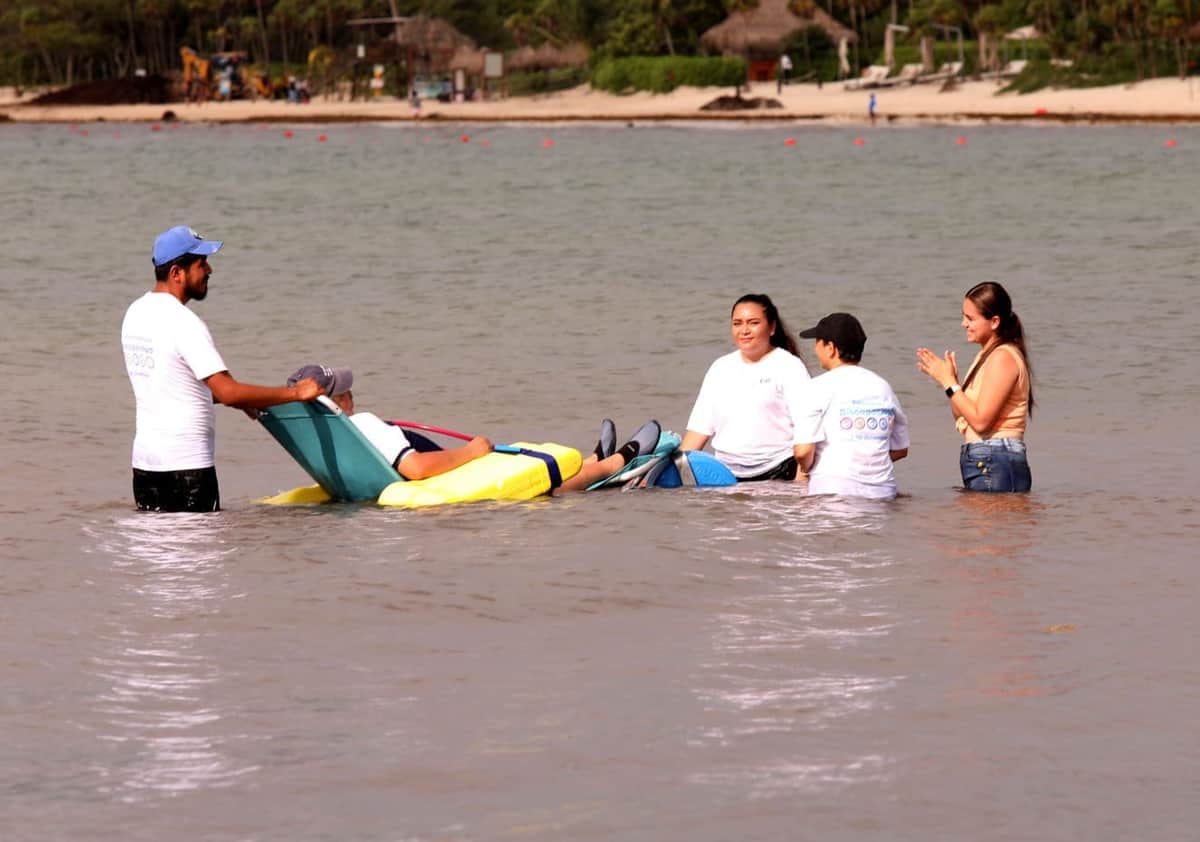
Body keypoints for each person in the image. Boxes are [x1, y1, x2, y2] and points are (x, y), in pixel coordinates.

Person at [121, 226, 323, 513]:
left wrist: (245, 401)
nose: (209, 270)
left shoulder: (136, 313)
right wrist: (296, 393)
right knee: (198, 558)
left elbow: (172, 384)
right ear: (177, 272)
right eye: (201, 264)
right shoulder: (184, 322)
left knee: (158, 555)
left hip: (146, 468)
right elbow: (228, 392)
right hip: (187, 469)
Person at [287, 365, 661, 492]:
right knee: (549, 483)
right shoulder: (363, 424)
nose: (352, 393)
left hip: (388, 482)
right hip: (434, 478)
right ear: (341, 400)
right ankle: (617, 462)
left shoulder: (319, 438)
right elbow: (415, 469)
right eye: (345, 389)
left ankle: (593, 457)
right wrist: (472, 451)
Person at [916, 281, 1034, 493]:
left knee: (993, 526)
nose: (964, 324)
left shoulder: (1003, 357)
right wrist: (952, 384)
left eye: (970, 318)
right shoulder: (985, 356)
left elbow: (981, 423)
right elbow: (964, 417)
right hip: (986, 458)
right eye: (963, 316)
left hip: (996, 458)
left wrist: (949, 383)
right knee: (981, 526)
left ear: (994, 321)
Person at [680, 294, 812, 481]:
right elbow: (699, 431)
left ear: (772, 327)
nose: (744, 330)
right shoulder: (720, 368)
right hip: (725, 476)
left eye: (753, 322)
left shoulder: (789, 366)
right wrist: (674, 471)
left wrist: (800, 485)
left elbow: (807, 431)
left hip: (779, 472)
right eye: (737, 323)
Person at [792, 313, 909, 499]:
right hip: (882, 493)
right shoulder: (883, 387)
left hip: (832, 492)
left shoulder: (816, 388)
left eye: (817, 342)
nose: (815, 349)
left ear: (830, 348)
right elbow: (901, 449)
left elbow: (803, 451)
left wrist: (807, 469)